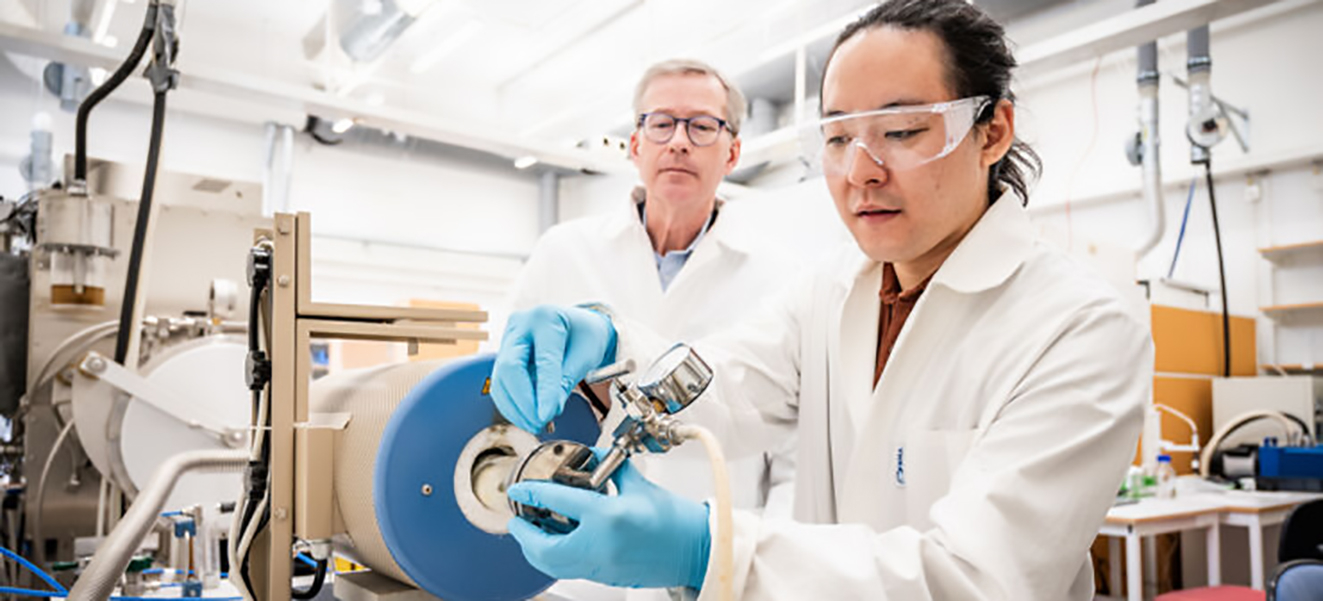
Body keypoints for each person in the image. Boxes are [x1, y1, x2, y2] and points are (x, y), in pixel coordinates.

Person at [491, 1, 1152, 599]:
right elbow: (727, 382)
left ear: (992, 130)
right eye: (837, 137)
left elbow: (974, 578)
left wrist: (710, 551)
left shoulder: (1079, 328)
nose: (860, 169)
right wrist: (612, 349)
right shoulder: (832, 289)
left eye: (900, 131)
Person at [503, 59, 798, 599]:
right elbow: (508, 402)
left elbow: (794, 457)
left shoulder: (779, 276)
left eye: (702, 125)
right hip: (569, 576)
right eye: (661, 123)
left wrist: (757, 573)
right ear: (635, 144)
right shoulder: (562, 251)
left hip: (711, 574)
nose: (679, 142)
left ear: (732, 152)